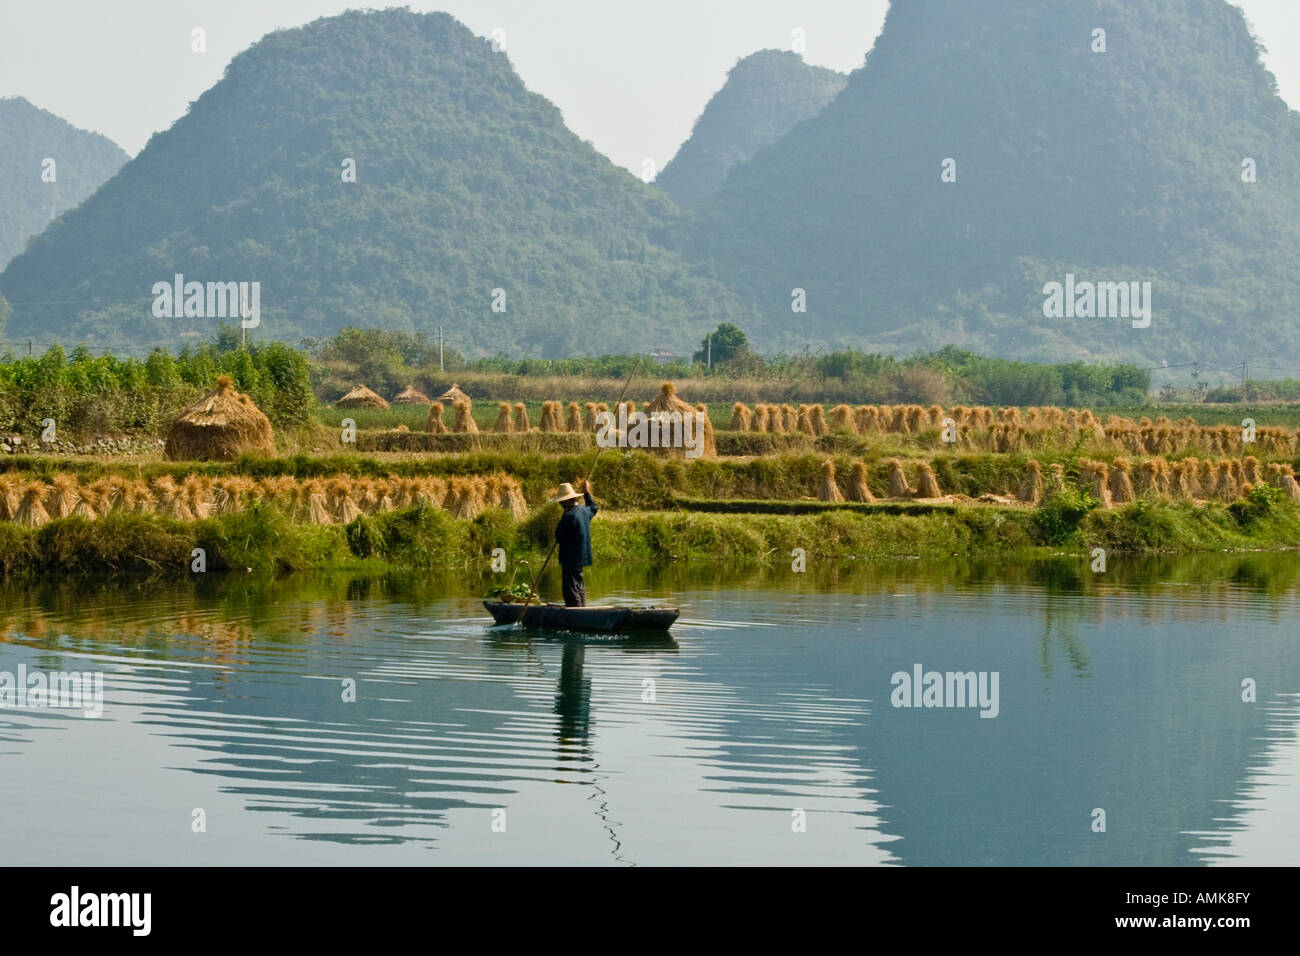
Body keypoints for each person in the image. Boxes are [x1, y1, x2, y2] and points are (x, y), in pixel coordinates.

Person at [549, 479, 598, 607]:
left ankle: (575, 612)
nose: (560, 504)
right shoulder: (584, 511)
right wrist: (587, 493)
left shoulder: (569, 516)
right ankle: (581, 609)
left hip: (571, 557)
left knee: (570, 587)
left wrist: (563, 517)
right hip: (581, 557)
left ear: (566, 501)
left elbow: (559, 536)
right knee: (578, 585)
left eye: (561, 502)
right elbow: (594, 508)